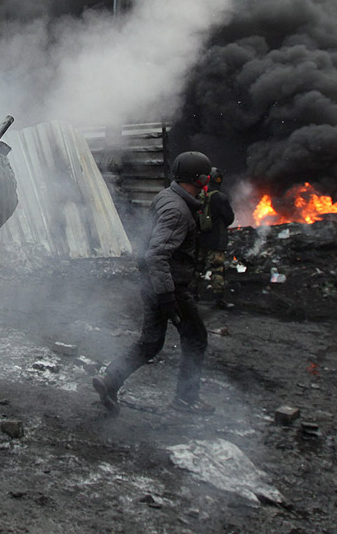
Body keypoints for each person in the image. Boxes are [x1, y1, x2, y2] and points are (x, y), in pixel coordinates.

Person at [93, 151, 214, 415]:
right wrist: (168, 296)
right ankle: (186, 400)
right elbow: (157, 253)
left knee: (151, 342)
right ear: (199, 178)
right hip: (169, 286)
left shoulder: (167, 197)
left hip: (154, 283)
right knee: (195, 339)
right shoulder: (178, 210)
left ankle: (110, 379)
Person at [196, 167, 235, 309]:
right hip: (216, 239)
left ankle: (191, 295)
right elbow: (229, 218)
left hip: (201, 237)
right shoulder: (220, 197)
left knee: (197, 267)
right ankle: (218, 300)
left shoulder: (201, 195)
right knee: (217, 269)